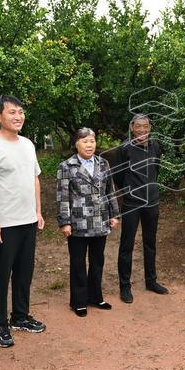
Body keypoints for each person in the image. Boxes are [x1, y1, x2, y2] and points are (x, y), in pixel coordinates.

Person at [0, 95, 46, 349]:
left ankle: (20, 316)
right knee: (0, 275)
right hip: (4, 223)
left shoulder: (27, 144)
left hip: (27, 220)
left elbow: (35, 178)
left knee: (24, 272)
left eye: (21, 112)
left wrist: (38, 211)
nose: (18, 117)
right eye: (12, 112)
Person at [57, 127, 120, 316]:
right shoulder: (67, 166)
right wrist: (64, 222)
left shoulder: (103, 163)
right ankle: (78, 301)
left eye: (92, 141)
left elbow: (110, 190)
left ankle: (95, 297)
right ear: (76, 144)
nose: (89, 145)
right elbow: (62, 196)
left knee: (97, 261)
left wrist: (114, 214)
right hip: (78, 223)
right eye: (85, 141)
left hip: (100, 220)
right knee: (78, 262)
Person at [113, 113, 167, 303]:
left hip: (152, 202)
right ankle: (125, 286)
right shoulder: (124, 148)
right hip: (131, 204)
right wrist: (130, 191)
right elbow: (118, 176)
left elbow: (156, 169)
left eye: (146, 126)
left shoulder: (155, 146)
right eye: (138, 126)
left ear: (150, 128)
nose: (142, 130)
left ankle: (151, 281)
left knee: (150, 243)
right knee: (126, 246)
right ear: (131, 128)